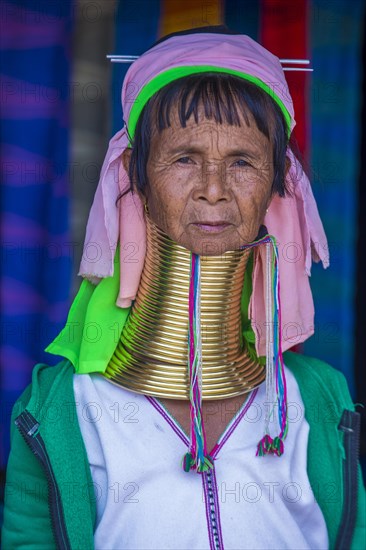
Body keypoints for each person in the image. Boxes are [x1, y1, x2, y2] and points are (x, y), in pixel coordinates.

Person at [3, 25, 365, 550]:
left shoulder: (319, 400)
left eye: (242, 161)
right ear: (136, 174)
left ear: (277, 182)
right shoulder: (60, 409)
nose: (214, 190)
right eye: (184, 158)